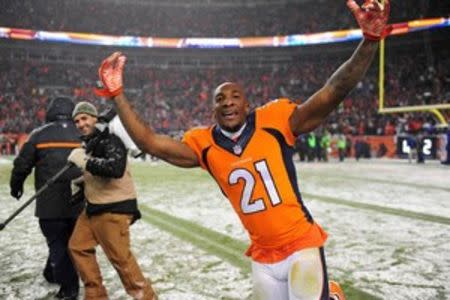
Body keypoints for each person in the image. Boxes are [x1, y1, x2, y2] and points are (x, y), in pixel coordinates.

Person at [95, 1, 390, 299]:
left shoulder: (274, 121)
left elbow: (332, 92)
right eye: (219, 98)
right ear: (212, 110)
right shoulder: (205, 144)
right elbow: (148, 142)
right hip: (262, 256)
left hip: (301, 243)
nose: (228, 101)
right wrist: (117, 95)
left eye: (235, 96)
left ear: (248, 105)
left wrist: (369, 42)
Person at [66, 102, 157, 300]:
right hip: (94, 208)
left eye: (84, 118)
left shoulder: (110, 139)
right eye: (77, 121)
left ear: (95, 118)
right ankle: (95, 294)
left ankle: (147, 298)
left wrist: (83, 160)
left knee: (122, 262)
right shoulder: (93, 142)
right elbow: (98, 171)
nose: (81, 124)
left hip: (113, 209)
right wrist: (82, 183)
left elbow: (114, 169)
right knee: (78, 246)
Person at [9, 96, 83, 299]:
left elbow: (21, 166)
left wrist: (16, 187)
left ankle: (69, 288)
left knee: (57, 242)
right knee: (66, 242)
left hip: (49, 204)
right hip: (79, 202)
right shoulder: (83, 135)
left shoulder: (38, 135)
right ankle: (51, 272)